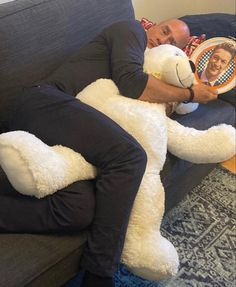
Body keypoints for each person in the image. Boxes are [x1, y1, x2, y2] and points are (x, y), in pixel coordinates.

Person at [0, 19, 218, 287]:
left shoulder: (150, 65)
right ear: (152, 27)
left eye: (173, 43)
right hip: (42, 101)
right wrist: (190, 93)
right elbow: (132, 82)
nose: (163, 41)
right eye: (164, 31)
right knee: (130, 156)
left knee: (79, 210)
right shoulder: (131, 30)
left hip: (66, 133)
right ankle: (99, 276)